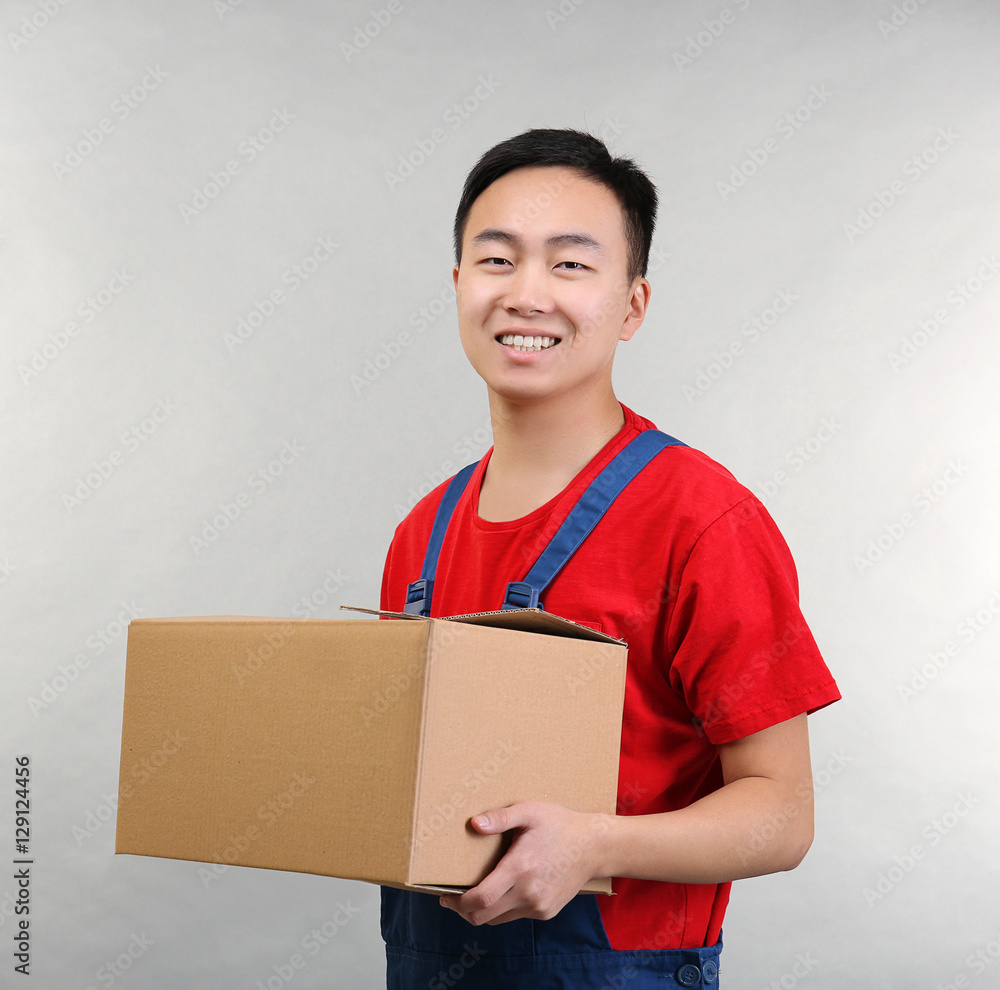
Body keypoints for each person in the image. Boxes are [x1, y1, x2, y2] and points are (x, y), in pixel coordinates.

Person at [377, 128, 841, 988]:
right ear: (457, 287)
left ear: (632, 305)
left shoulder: (703, 520)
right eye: (496, 259)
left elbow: (783, 813)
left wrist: (598, 842)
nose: (525, 294)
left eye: (570, 265)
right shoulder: (422, 534)